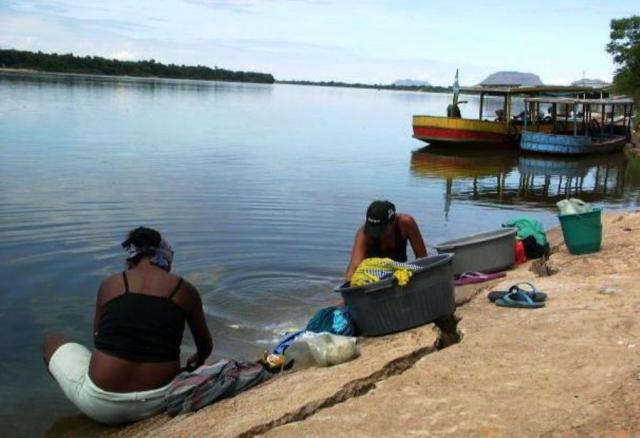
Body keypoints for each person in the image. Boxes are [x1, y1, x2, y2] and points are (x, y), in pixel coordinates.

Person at [42, 226, 213, 425]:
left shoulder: (111, 284)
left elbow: (98, 337)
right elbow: (205, 346)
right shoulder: (185, 290)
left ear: (131, 257)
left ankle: (87, 422)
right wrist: (199, 358)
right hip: (160, 401)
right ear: (166, 258)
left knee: (52, 342)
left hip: (101, 407)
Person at [345, 201, 427, 281]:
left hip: (399, 273)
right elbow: (354, 267)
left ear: (392, 221)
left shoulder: (405, 223)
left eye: (381, 229)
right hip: (373, 277)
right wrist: (349, 284)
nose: (377, 234)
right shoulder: (364, 234)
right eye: (373, 229)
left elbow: (422, 258)